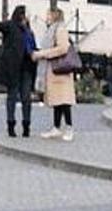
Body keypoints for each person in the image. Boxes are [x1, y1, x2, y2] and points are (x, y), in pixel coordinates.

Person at [0, 5, 37, 138]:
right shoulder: (11, 26)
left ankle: (26, 125)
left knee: (26, 98)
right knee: (12, 96)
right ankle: (11, 124)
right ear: (20, 14)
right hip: (13, 68)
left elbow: (33, 47)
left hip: (27, 68)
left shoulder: (29, 31)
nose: (27, 16)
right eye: (26, 13)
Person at [31, 8, 77, 142]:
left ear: (54, 16)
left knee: (64, 100)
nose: (46, 17)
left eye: (48, 14)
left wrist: (42, 54)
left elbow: (63, 48)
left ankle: (69, 127)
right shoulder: (51, 30)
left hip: (60, 70)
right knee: (57, 101)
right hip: (53, 70)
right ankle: (56, 127)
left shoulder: (61, 29)